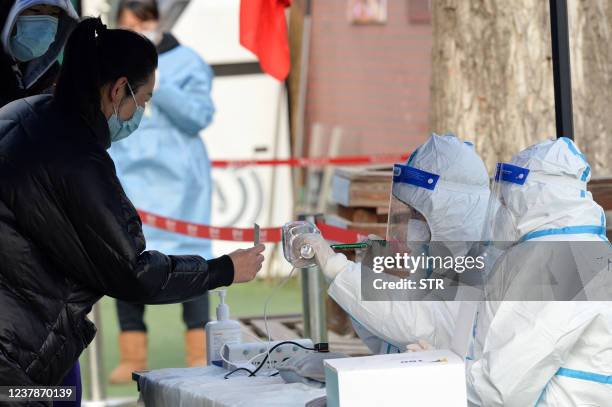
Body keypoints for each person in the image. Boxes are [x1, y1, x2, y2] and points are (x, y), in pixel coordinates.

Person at [0, 17, 264, 404]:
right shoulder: (73, 155)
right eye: (143, 100)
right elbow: (131, 272)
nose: (141, 111)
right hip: (13, 350)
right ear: (118, 89)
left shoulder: (23, 114)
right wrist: (223, 268)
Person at [107, 0, 217, 383]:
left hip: (181, 187)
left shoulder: (188, 61)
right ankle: (130, 355)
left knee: (192, 262)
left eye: (146, 20)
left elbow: (198, 116)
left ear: (160, 21)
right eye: (130, 22)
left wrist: (155, 79)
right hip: (128, 183)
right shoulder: (110, 63)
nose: (139, 27)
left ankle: (200, 352)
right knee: (127, 261)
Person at [300, 134, 491, 353]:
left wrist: (339, 270)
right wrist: (370, 276)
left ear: (450, 211)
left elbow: (418, 326)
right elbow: (386, 335)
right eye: (410, 212)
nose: (410, 222)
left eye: (417, 213)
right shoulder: (435, 257)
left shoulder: (474, 265)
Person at [465, 137, 612, 406]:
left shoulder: (562, 261)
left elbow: (503, 389)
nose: (502, 213)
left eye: (508, 204)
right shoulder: (579, 248)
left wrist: (438, 381)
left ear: (532, 198)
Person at [0, 0, 78, 107]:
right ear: (8, 14)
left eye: (54, 13)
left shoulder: (51, 78)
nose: (45, 22)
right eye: (35, 10)